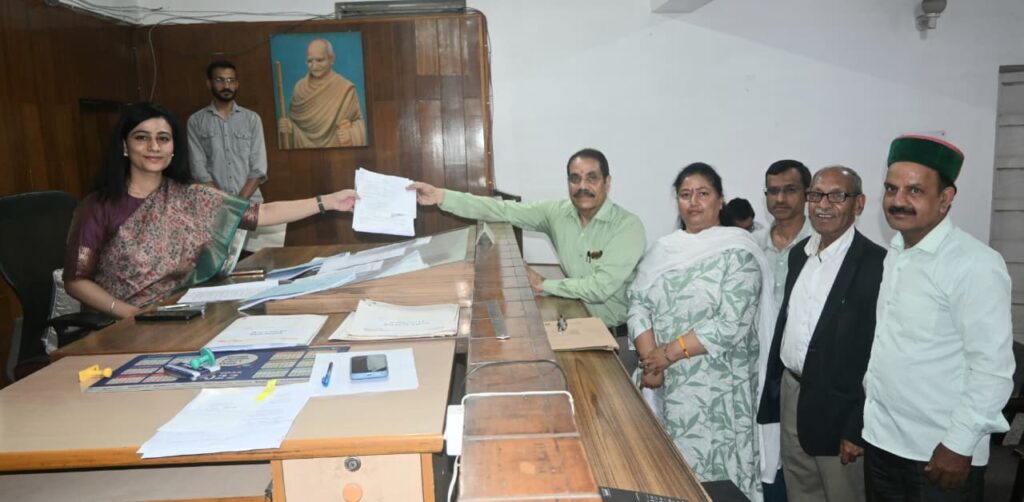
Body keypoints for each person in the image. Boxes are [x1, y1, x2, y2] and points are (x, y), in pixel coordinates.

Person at [64, 102, 357, 319]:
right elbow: (76, 281)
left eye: (163, 138)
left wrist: (328, 201)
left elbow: (261, 214)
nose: (154, 146)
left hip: (181, 314)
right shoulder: (98, 206)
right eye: (142, 137)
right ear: (125, 146)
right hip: (120, 325)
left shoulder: (192, 197)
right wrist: (130, 314)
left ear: (173, 148)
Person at [862, 135, 1014, 501]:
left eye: (914, 190)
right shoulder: (896, 252)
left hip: (938, 453)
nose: (898, 200)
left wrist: (959, 444)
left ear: (945, 198)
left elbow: (992, 369)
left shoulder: (974, 264)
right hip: (882, 441)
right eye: (891, 188)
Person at [407, 148, 646, 369]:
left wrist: (543, 284)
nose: (582, 186)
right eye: (575, 178)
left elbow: (599, 288)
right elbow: (501, 210)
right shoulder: (557, 213)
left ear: (607, 182)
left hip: (616, 342)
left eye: (592, 178)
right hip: (578, 327)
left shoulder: (627, 227)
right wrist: (440, 196)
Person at [629, 162, 776, 502]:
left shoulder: (739, 252)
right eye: (685, 194)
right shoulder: (663, 250)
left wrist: (665, 355)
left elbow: (730, 324)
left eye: (703, 193)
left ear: (720, 200)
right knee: (667, 479)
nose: (693, 202)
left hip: (718, 392)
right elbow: (638, 302)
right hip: (664, 388)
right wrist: (651, 363)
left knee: (715, 483)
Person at [756, 166, 885, 502]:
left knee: (843, 494)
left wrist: (857, 424)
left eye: (837, 196)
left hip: (841, 407)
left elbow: (880, 353)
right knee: (800, 492)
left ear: (859, 203)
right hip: (793, 392)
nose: (823, 204)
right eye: (816, 195)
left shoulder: (877, 264)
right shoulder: (800, 255)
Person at [187, 60, 284, 253]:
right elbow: (199, 171)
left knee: (257, 261)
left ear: (237, 84)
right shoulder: (196, 121)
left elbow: (258, 169)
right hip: (213, 209)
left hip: (251, 205)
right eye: (220, 80)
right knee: (218, 263)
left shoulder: (252, 119)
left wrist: (236, 205)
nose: (227, 85)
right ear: (209, 84)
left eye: (231, 80)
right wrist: (224, 205)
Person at [277, 38, 367, 149]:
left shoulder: (345, 88)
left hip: (336, 154)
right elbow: (292, 125)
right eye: (310, 61)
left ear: (332, 59)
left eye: (319, 60)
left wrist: (350, 134)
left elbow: (358, 123)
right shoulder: (299, 88)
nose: (314, 66)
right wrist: (289, 127)